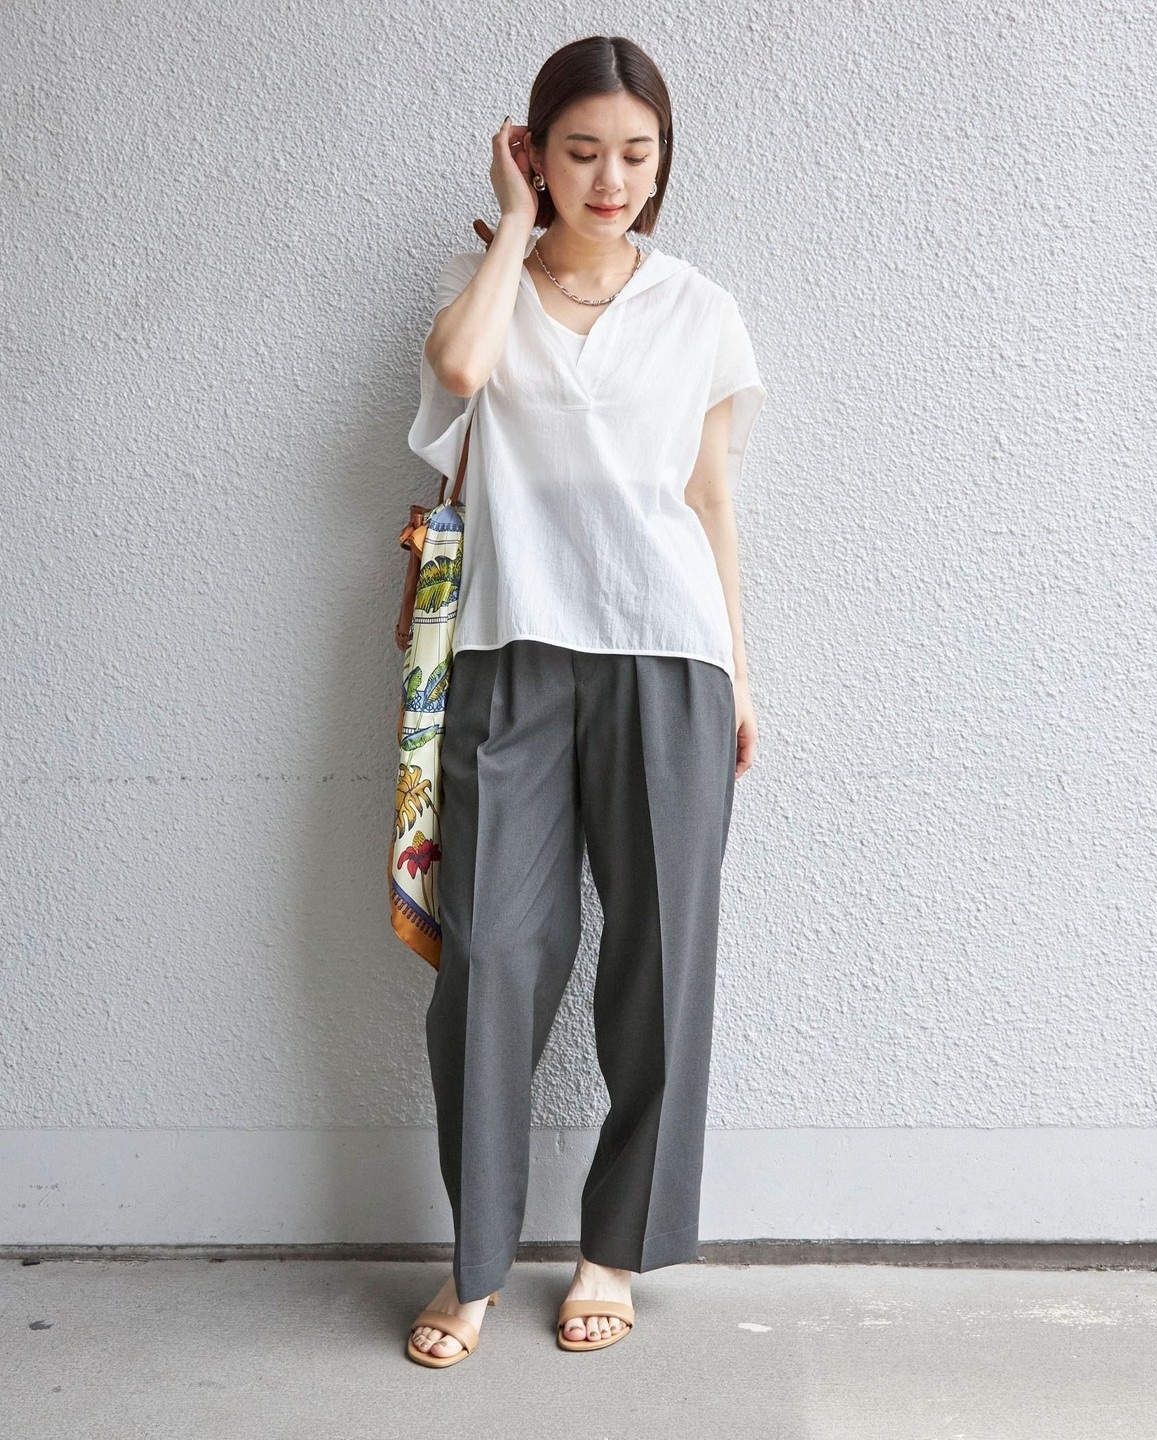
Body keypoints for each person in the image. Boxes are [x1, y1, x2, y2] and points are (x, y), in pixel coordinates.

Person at [404, 34, 766, 1367]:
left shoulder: (701, 309)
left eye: (636, 154)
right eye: (580, 151)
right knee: (490, 956)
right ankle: (477, 1266)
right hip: (509, 652)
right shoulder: (484, 296)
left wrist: (739, 671)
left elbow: (711, 496)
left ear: (663, 164)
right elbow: (458, 377)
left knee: (662, 958)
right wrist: (510, 229)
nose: (611, 178)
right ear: (534, 154)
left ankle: (613, 1250)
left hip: (668, 652)